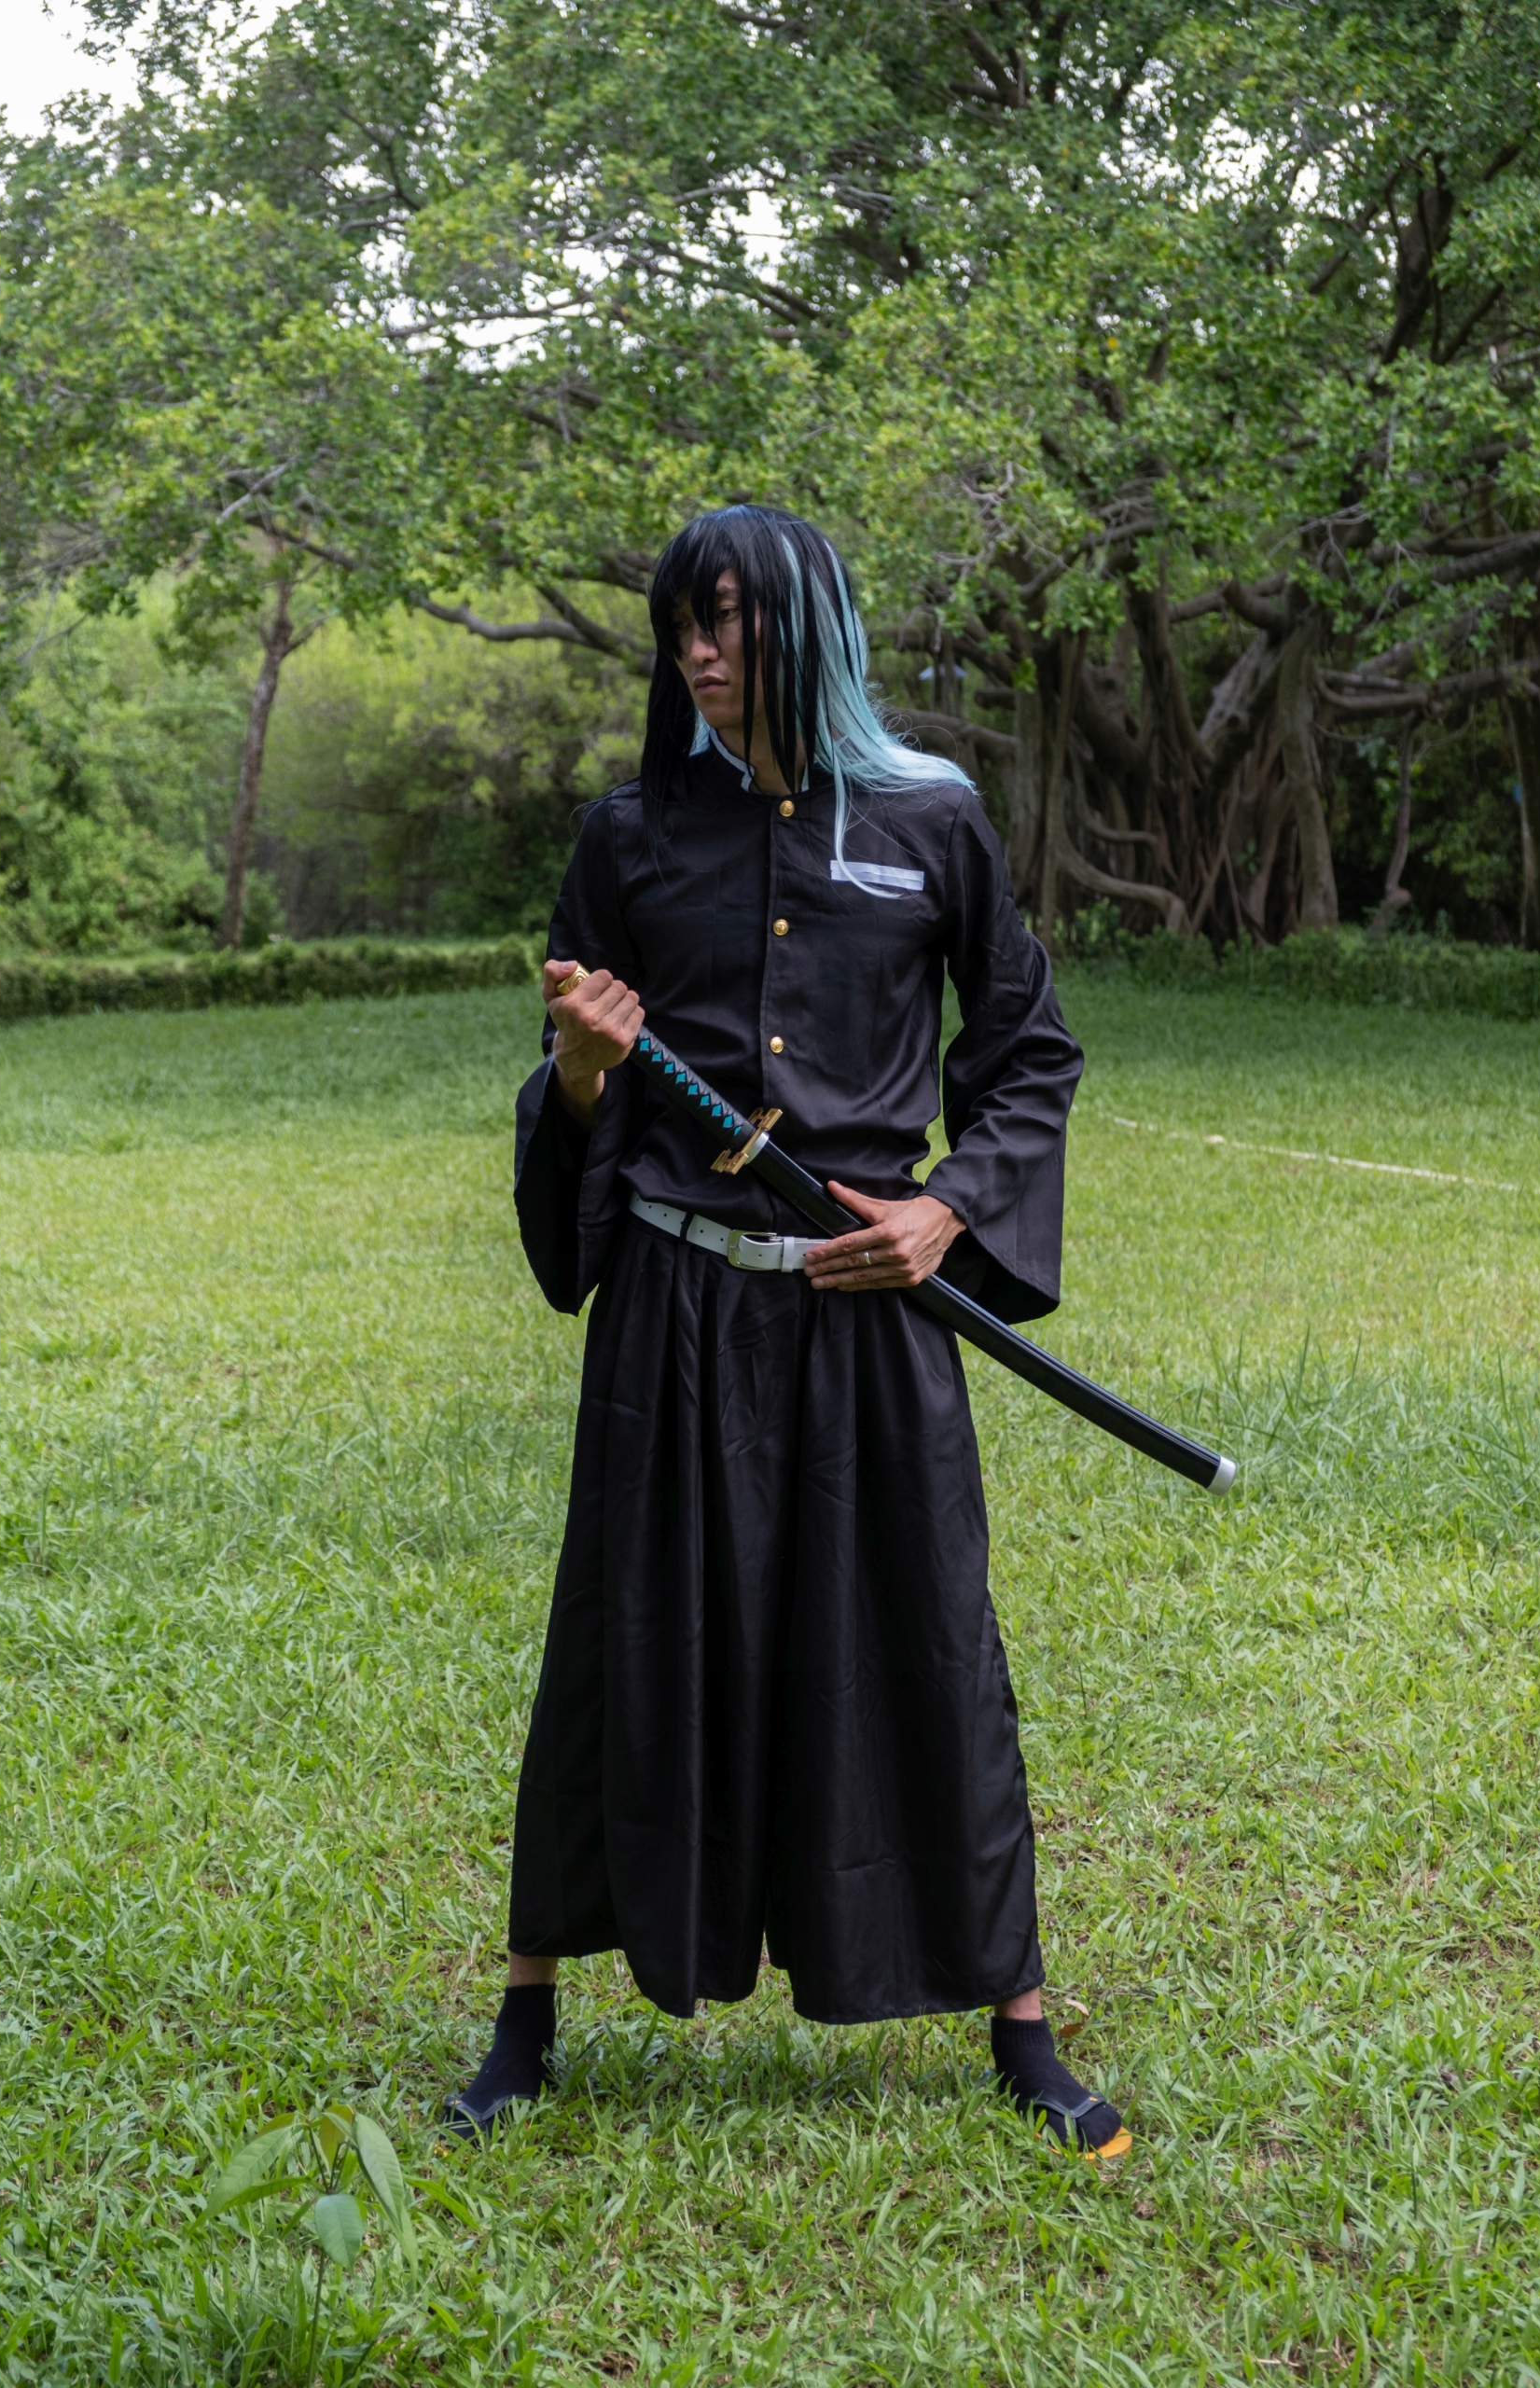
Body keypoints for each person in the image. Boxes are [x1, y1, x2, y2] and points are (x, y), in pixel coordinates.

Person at [446, 504, 1129, 2159]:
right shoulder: (628, 835)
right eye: (680, 622)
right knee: (620, 1643)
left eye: (727, 619)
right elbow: (575, 1094)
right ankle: (524, 2018)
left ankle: (1021, 2029)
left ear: (803, 624)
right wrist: (584, 1069)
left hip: (866, 1311)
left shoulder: (930, 817)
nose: (697, 649)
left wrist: (945, 1212)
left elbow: (1028, 1052)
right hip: (672, 1314)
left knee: (925, 1644)